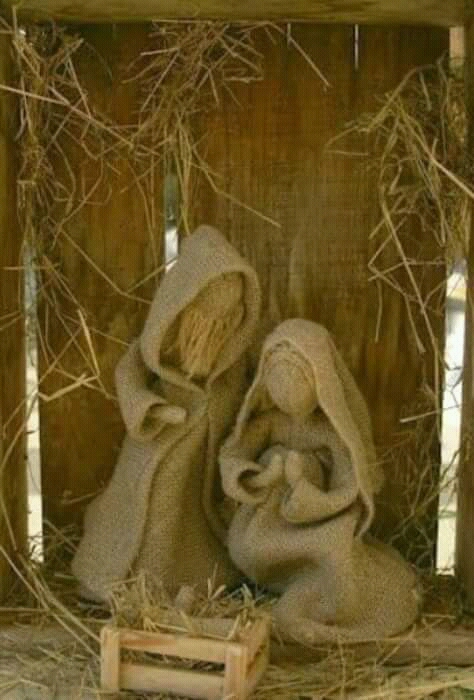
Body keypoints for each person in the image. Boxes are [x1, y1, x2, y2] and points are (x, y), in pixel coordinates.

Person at [72, 225, 261, 602]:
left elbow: (249, 402)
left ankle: (187, 579)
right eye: (203, 323)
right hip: (156, 446)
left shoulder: (234, 368)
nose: (213, 335)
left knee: (187, 519)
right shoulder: (158, 351)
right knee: (153, 509)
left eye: (225, 324)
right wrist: (150, 409)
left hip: (203, 458)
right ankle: (139, 581)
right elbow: (128, 376)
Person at [220, 319, 421, 642]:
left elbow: (347, 486)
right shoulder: (269, 424)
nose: (287, 392)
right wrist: (261, 475)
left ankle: (313, 602)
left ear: (321, 382)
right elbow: (233, 453)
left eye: (299, 379)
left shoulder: (329, 432)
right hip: (262, 524)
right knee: (244, 546)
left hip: (318, 524)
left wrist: (305, 486)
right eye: (276, 379)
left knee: (336, 554)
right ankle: (275, 576)